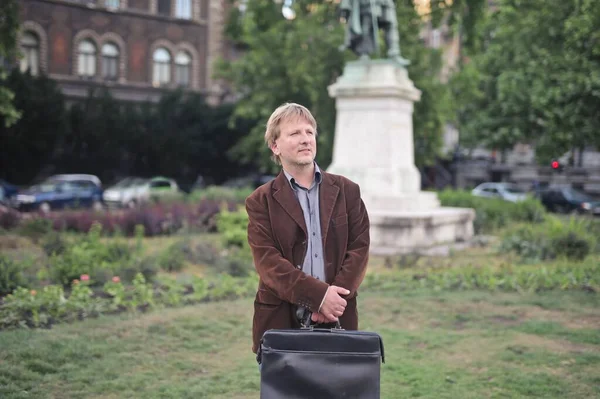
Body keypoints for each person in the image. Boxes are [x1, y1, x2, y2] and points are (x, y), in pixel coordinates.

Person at [245, 103, 370, 363]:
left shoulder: (348, 192)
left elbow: (359, 249)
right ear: (275, 146)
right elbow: (268, 263)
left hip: (339, 318)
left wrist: (332, 301)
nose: (305, 139)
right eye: (294, 134)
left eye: (309, 132)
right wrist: (319, 297)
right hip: (281, 323)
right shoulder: (260, 201)